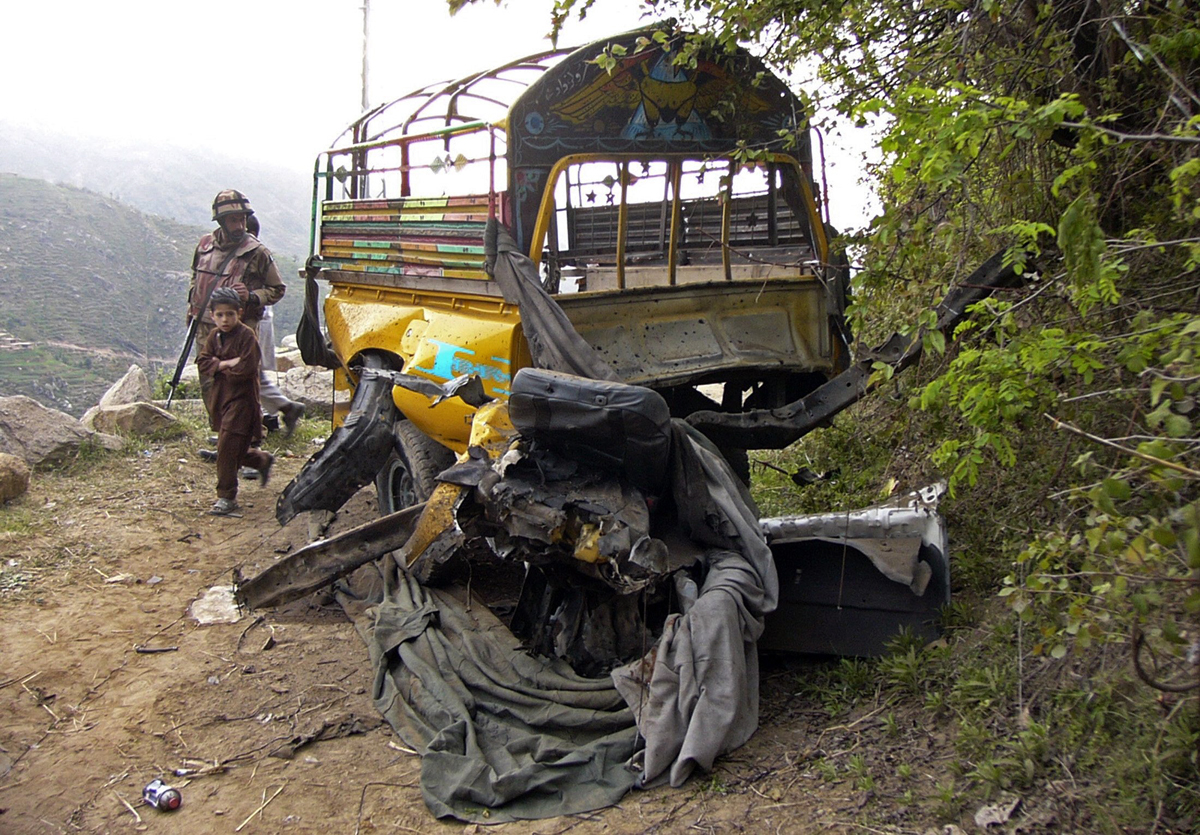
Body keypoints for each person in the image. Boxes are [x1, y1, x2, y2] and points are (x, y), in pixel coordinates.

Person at [187, 189, 287, 422]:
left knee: (239, 385)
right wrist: (192, 308)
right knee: (210, 383)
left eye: (242, 219)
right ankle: (222, 436)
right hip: (205, 328)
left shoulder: (257, 252)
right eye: (234, 220)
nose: (239, 225)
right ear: (221, 221)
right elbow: (195, 277)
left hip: (241, 330)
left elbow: (277, 289)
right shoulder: (204, 247)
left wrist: (252, 296)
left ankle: (246, 439)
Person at [197, 287, 274, 516]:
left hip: (242, 400)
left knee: (226, 449)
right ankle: (261, 461)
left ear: (239, 313)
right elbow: (202, 361)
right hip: (221, 399)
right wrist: (225, 364)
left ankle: (226, 497)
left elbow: (246, 369)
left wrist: (219, 366)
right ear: (212, 316)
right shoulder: (214, 336)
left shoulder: (247, 335)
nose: (225, 319)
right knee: (235, 449)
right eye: (220, 315)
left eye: (230, 314)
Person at [244, 213, 305, 437]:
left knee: (249, 374)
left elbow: (277, 288)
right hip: (257, 318)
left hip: (254, 320)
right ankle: (275, 413)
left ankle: (262, 421)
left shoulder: (256, 255)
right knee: (254, 373)